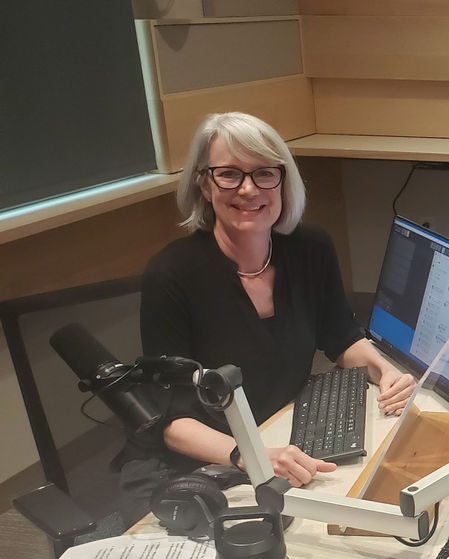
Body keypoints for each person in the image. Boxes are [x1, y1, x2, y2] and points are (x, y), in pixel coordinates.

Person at [125, 112, 416, 502]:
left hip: (283, 432)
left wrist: (386, 373)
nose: (248, 189)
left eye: (264, 173)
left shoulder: (310, 248)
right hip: (204, 463)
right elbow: (170, 419)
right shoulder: (171, 275)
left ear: (283, 181)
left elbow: (341, 335)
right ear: (204, 186)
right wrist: (253, 456)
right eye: (229, 174)